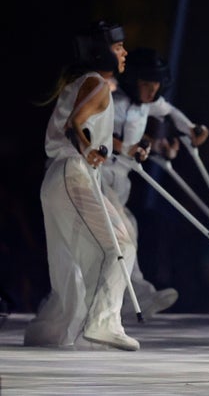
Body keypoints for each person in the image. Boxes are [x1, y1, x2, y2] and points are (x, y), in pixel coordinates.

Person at [24, 20, 140, 351]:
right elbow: (77, 122)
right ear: (102, 52)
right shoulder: (98, 84)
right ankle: (103, 322)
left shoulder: (84, 82)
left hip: (61, 177)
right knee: (122, 246)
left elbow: (83, 124)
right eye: (119, 47)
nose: (124, 53)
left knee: (87, 256)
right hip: (73, 176)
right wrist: (88, 148)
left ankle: (70, 329)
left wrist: (121, 149)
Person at [101, 47, 209, 320]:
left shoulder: (149, 104)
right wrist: (127, 147)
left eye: (157, 84)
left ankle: (131, 297)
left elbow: (171, 112)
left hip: (122, 179)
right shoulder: (112, 100)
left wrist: (191, 129)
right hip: (100, 174)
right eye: (146, 84)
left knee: (127, 232)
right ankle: (135, 295)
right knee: (122, 233)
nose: (153, 90)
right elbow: (98, 135)